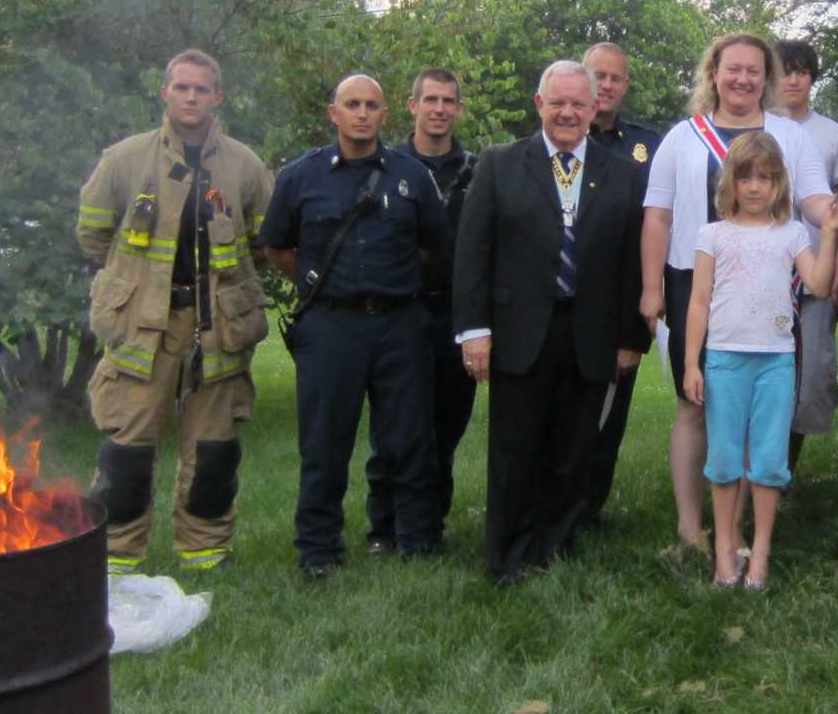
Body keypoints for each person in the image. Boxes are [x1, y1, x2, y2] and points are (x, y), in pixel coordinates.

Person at [453, 61, 650, 585]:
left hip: (591, 334)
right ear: (539, 104)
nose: (567, 112)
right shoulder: (499, 164)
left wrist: (632, 338)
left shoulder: (624, 173)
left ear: (594, 109)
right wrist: (474, 330)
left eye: (578, 104)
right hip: (519, 332)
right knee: (516, 449)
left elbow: (633, 260)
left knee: (573, 448)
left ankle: (554, 548)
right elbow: (473, 251)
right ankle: (507, 555)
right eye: (557, 102)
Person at [77, 49, 272, 575]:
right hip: (145, 324)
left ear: (218, 98)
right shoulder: (125, 159)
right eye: (182, 88)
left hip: (219, 325)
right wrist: (132, 285)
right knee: (129, 446)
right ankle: (117, 557)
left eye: (202, 89)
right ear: (165, 92)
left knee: (214, 447)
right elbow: (93, 235)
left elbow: (265, 240)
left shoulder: (244, 165)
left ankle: (204, 552)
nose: (191, 97)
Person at [642, 33, 834, 555]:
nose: (743, 79)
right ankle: (689, 526)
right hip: (695, 281)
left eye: (754, 71)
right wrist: (651, 287)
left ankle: (736, 527)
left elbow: (814, 199)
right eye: (733, 69)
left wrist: (833, 218)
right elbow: (657, 215)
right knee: (694, 403)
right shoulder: (683, 136)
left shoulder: (789, 137)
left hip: (768, 286)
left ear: (765, 78)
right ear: (714, 73)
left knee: (754, 407)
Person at [260, 75, 452, 580]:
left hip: (400, 324)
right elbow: (277, 247)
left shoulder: (411, 176)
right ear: (334, 113)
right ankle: (318, 549)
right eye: (352, 105)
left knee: (409, 439)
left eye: (371, 105)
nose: (362, 114)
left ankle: (416, 539)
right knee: (324, 442)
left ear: (386, 115)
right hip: (331, 326)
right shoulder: (300, 176)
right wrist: (320, 285)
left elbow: (434, 247)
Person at [683, 131, 838, 590]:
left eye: (766, 178)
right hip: (724, 361)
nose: (755, 187)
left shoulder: (791, 233)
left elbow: (816, 282)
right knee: (725, 459)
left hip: (775, 361)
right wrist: (692, 363)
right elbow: (698, 302)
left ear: (779, 185)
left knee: (769, 461)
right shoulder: (712, 234)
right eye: (746, 176)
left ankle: (762, 553)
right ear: (730, 181)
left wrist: (828, 235)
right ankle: (725, 551)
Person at [363, 68, 479, 555]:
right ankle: (383, 528)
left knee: (445, 429)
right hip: (396, 315)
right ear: (411, 106)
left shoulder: (477, 170)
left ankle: (430, 524)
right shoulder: (382, 166)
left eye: (448, 101)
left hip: (454, 316)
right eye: (429, 99)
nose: (439, 109)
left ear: (458, 109)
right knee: (393, 428)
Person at [580, 42, 662, 528]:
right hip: (562, 298)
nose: (606, 85)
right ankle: (549, 504)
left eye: (615, 77)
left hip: (620, 299)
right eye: (598, 75)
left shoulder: (648, 146)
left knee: (609, 414)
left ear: (626, 85)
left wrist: (637, 322)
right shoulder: (557, 137)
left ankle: (588, 509)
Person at [773, 39, 838, 476]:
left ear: (812, 78)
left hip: (815, 274)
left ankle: (785, 472)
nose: (793, 79)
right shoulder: (755, 127)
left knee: (808, 376)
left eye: (802, 71)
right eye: (785, 70)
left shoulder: (835, 135)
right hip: (764, 271)